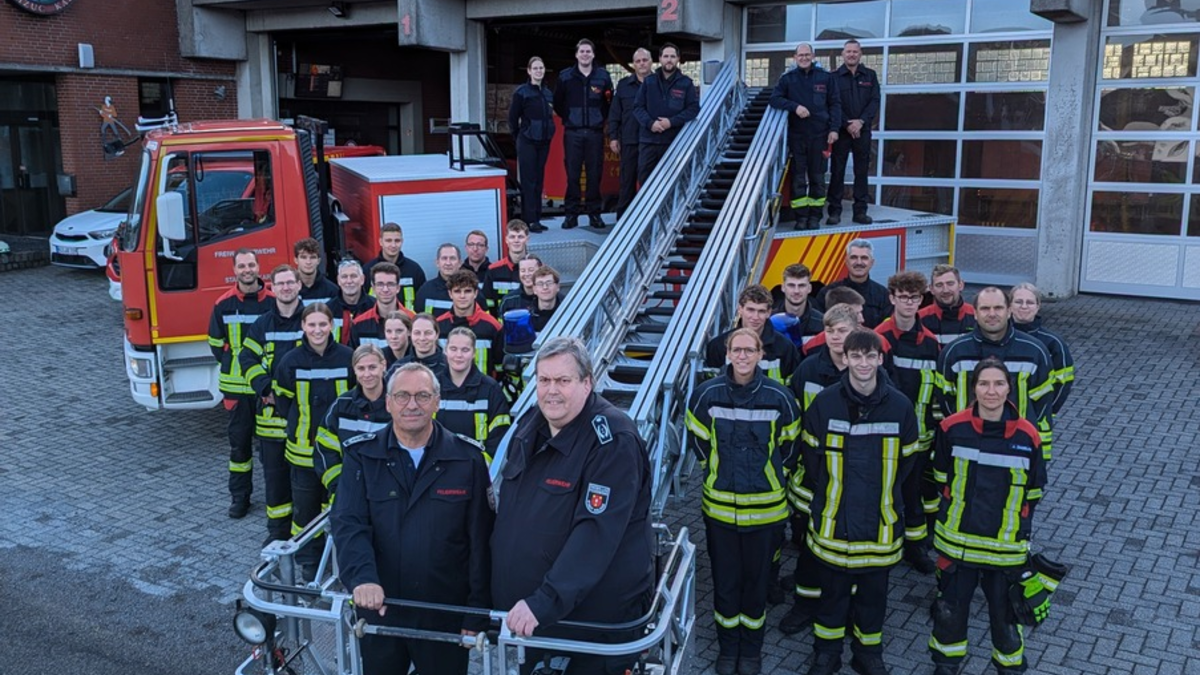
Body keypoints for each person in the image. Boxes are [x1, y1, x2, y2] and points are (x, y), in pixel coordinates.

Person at [491, 337, 654, 675]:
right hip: (535, 619)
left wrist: (544, 601)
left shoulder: (612, 441)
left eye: (563, 381)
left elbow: (595, 535)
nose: (552, 390)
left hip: (588, 626)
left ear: (586, 383)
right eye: (544, 380)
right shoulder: (529, 424)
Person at [330, 362, 492, 675]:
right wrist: (362, 578)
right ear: (388, 403)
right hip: (381, 607)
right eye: (402, 396)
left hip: (444, 612)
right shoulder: (361, 456)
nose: (412, 405)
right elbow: (349, 524)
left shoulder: (467, 458)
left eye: (422, 396)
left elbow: (481, 541)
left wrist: (476, 612)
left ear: (437, 401)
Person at [803, 329, 919, 675]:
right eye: (857, 356)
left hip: (879, 523)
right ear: (846, 358)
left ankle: (867, 654)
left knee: (873, 596)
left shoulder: (900, 406)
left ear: (880, 359)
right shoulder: (824, 403)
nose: (864, 363)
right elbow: (811, 460)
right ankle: (826, 654)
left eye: (871, 356)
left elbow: (907, 463)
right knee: (832, 595)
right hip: (833, 521)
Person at [686, 328, 801, 675]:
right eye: (737, 350)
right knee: (726, 581)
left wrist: (770, 477)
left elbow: (790, 448)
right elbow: (699, 442)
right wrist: (717, 473)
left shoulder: (780, 397)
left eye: (750, 350)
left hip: (766, 512)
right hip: (720, 510)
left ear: (760, 354)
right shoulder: (705, 395)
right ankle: (727, 648)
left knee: (755, 583)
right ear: (727, 353)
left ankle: (751, 650)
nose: (743, 356)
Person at [928, 357, 1045, 675]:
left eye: (998, 383)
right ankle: (945, 665)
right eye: (983, 383)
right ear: (973, 387)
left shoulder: (1028, 435)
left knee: (1006, 617)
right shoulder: (952, 428)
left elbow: (1034, 491)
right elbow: (942, 477)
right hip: (957, 545)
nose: (990, 391)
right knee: (949, 612)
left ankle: (1009, 668)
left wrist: (1019, 528)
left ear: (1009, 387)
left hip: (1004, 549)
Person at [779, 303, 857, 636]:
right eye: (831, 330)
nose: (837, 337)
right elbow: (792, 422)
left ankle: (844, 607)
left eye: (843, 330)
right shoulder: (808, 370)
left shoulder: (867, 371)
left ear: (855, 331)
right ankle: (805, 604)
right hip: (813, 474)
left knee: (848, 548)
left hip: (854, 478)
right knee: (809, 546)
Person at [937, 287, 1054, 494]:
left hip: (1015, 448)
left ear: (1009, 310)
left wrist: (1038, 453)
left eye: (998, 307)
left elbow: (1043, 406)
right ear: (975, 312)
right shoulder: (954, 352)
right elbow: (944, 402)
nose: (992, 314)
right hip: (967, 446)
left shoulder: (1035, 352)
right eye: (985, 308)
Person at [273, 303, 354, 570]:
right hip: (303, 453)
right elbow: (284, 402)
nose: (317, 330)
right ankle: (308, 562)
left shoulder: (347, 358)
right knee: (305, 513)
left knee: (339, 508)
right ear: (303, 327)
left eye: (322, 324)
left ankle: (339, 561)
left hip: (339, 455)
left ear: (332, 326)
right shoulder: (290, 361)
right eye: (312, 325)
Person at [875, 271, 941, 575]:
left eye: (914, 298)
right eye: (903, 297)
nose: (909, 303)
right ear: (892, 298)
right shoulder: (879, 338)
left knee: (913, 495)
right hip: (883, 438)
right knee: (883, 493)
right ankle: (883, 543)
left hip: (920, 437)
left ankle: (915, 549)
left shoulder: (931, 343)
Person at [239, 264, 305, 543]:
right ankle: (277, 536)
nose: (287, 287)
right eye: (281, 284)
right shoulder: (262, 324)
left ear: (299, 285)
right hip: (271, 423)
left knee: (306, 486)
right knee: (276, 485)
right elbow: (247, 359)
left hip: (305, 421)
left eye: (291, 282)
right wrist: (266, 388)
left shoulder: (312, 320)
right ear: (273, 288)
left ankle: (306, 539)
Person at [207, 248, 274, 519]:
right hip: (236, 390)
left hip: (266, 390)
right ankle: (239, 498)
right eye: (242, 266)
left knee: (270, 448)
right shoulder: (223, 304)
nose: (247, 270)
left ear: (259, 268)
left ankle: (275, 496)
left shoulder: (272, 301)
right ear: (234, 271)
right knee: (239, 447)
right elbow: (214, 344)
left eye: (251, 265)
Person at [770, 42, 842, 230]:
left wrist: (834, 129)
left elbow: (835, 104)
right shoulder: (788, 79)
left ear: (813, 56)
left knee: (818, 178)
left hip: (820, 136)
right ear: (794, 58)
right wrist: (795, 107)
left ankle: (815, 217)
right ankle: (801, 218)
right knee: (798, 178)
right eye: (800, 55)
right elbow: (774, 99)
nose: (804, 58)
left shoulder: (826, 78)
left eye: (807, 55)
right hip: (797, 136)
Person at [315, 345, 391, 497]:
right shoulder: (342, 405)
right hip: (347, 493)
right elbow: (324, 447)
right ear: (354, 370)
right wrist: (339, 485)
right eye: (361, 368)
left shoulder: (398, 404)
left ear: (383, 365)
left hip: (388, 495)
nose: (367, 374)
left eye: (372, 367)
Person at [553, 39, 614, 230]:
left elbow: (608, 103)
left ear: (593, 54)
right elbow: (558, 104)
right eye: (582, 51)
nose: (585, 54)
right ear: (576, 54)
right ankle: (571, 215)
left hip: (595, 134)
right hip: (573, 133)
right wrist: (572, 118)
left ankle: (594, 214)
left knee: (594, 174)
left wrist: (597, 119)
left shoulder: (603, 77)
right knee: (573, 175)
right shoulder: (565, 77)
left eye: (588, 51)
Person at [437, 327, 511, 461]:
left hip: (477, 472)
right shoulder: (432, 387)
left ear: (474, 353)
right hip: (438, 470)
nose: (459, 355)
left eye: (465, 350)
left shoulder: (490, 389)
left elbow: (499, 436)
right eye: (453, 349)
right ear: (445, 351)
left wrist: (480, 469)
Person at [827, 39, 880, 226]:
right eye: (848, 51)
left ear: (860, 54)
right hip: (842, 131)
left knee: (861, 171)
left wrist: (861, 122)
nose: (851, 54)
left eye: (855, 51)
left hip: (862, 131)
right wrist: (847, 124)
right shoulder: (833, 77)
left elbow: (874, 101)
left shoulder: (870, 76)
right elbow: (832, 104)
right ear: (843, 54)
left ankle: (860, 212)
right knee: (837, 172)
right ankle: (834, 212)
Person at [633, 43, 700, 186]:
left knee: (674, 182)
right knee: (645, 181)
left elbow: (693, 109)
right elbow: (637, 107)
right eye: (666, 56)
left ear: (678, 59)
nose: (669, 60)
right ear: (660, 59)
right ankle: (647, 209)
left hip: (674, 141)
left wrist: (671, 122)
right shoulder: (648, 82)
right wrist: (650, 124)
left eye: (672, 56)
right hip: (648, 142)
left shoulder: (686, 83)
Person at [705, 284, 800, 385]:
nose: (755, 317)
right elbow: (711, 386)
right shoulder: (718, 346)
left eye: (761, 311)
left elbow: (791, 388)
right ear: (740, 309)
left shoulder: (785, 348)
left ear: (769, 313)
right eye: (750, 310)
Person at [1010, 283, 1074, 418]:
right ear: (1009, 305)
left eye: (1030, 302)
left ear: (1038, 306)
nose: (1024, 306)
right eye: (1018, 302)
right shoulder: (996, 338)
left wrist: (1047, 411)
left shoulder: (1053, 343)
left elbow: (1063, 383)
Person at [509, 57, 556, 233]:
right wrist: (519, 136)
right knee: (529, 181)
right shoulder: (522, 93)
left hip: (543, 141)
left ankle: (537, 217)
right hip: (527, 141)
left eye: (541, 68)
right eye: (535, 68)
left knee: (539, 180)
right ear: (529, 71)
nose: (539, 71)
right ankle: (529, 220)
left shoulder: (547, 93)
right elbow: (513, 119)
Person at [608, 48, 653, 219]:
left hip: (652, 143)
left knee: (650, 182)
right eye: (638, 61)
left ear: (650, 62)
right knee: (627, 182)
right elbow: (615, 113)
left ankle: (648, 217)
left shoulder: (659, 83)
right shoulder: (623, 85)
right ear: (634, 64)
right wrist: (613, 137)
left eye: (645, 60)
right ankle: (623, 221)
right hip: (629, 140)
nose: (642, 63)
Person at [435, 269, 503, 375]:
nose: (462, 296)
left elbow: (500, 367)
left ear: (475, 293)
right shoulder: (439, 325)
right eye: (457, 291)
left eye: (467, 291)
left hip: (483, 389)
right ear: (450, 294)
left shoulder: (493, 326)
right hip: (446, 389)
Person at [813, 239, 892, 329]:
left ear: (872, 263)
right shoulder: (827, 293)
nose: (859, 262)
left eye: (864, 258)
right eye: (854, 257)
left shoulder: (883, 295)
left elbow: (886, 328)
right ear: (846, 261)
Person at [350, 263, 415, 349]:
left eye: (390, 284)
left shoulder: (413, 321)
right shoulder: (358, 324)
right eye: (380, 284)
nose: (385, 289)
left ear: (398, 288)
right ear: (373, 288)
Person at [363, 222, 427, 305]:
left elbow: (421, 301)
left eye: (397, 241)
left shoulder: (414, 270)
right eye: (388, 241)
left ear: (402, 241)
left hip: (407, 317)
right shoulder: (368, 270)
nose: (393, 245)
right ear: (380, 242)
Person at [919, 264, 976, 346]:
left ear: (961, 285)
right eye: (939, 285)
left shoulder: (976, 316)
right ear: (931, 289)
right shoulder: (920, 319)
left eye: (950, 283)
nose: (945, 290)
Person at [772, 263, 824, 349]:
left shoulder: (822, 323)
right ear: (783, 288)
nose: (796, 291)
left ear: (809, 288)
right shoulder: (769, 322)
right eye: (791, 285)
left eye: (801, 285)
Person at [801, 286, 865, 357]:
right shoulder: (811, 348)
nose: (862, 319)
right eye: (855, 314)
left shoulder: (876, 342)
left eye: (861, 312)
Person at [329, 259, 376, 345]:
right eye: (344, 277)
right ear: (338, 280)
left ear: (362, 279)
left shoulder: (375, 307)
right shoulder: (328, 310)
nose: (349, 281)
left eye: (353, 276)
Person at [414, 243, 461, 316]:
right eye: (444, 258)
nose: (448, 263)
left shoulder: (469, 290)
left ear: (460, 263)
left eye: (452, 258)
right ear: (437, 263)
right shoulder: (425, 290)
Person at [294, 237, 339, 306]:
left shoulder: (332, 291)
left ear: (318, 261)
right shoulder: (288, 290)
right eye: (303, 257)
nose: (308, 262)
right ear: (296, 260)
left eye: (312, 257)